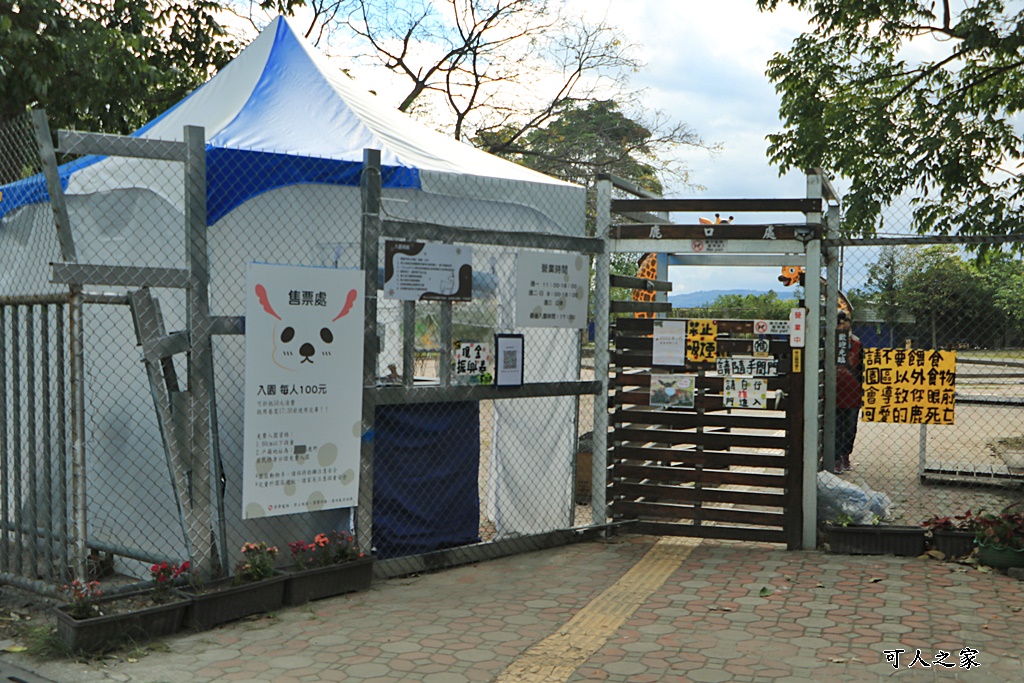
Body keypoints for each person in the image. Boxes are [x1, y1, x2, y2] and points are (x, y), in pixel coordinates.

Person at [835, 310, 863, 473]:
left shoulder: (857, 345)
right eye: (840, 323)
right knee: (836, 426)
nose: (843, 326)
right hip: (834, 393)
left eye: (845, 322)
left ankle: (845, 456)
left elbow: (862, 369)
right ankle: (836, 457)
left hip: (853, 392)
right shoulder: (829, 344)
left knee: (850, 427)